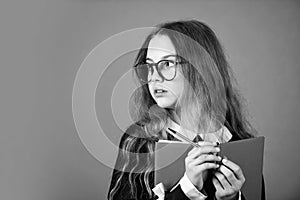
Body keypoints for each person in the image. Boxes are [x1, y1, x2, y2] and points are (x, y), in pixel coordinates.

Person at [107, 19, 265, 200]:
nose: (154, 78)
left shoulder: (241, 144)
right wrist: (186, 191)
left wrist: (233, 199)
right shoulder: (138, 141)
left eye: (166, 64)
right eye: (149, 66)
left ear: (200, 67)